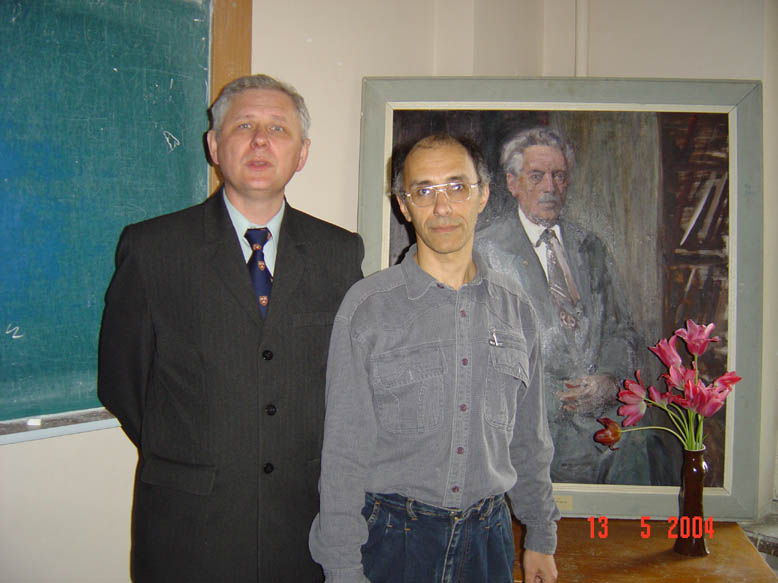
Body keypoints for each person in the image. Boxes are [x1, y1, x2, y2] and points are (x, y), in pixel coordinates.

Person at [98, 74, 364, 582]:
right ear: (214, 146)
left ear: (302, 153)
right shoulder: (153, 249)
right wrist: (193, 450)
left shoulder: (339, 253)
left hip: (304, 525)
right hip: (190, 527)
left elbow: (348, 383)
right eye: (244, 126)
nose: (261, 140)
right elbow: (122, 381)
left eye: (278, 128)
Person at [310, 134, 559, 583]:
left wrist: (541, 533)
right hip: (393, 541)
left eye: (457, 187)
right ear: (404, 206)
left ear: (483, 195)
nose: (442, 207)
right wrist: (342, 568)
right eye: (423, 190)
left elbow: (530, 438)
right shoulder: (367, 309)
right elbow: (344, 453)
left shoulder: (517, 310)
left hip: (489, 543)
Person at [476, 126, 651, 484]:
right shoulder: (486, 252)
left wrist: (608, 379)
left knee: (646, 454)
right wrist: (552, 398)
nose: (550, 187)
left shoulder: (591, 247)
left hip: (603, 419)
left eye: (559, 176)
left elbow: (622, 330)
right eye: (536, 176)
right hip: (532, 426)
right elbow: (481, 352)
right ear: (512, 183)